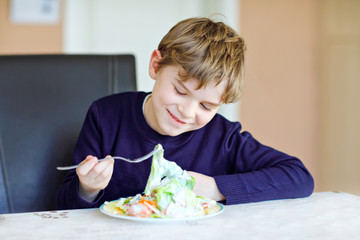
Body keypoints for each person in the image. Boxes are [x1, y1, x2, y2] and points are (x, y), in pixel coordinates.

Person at [55, 17, 314, 209]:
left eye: (206, 106)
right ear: (156, 65)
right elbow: (63, 207)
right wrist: (88, 188)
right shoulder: (106, 115)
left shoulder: (222, 137)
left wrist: (214, 188)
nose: (187, 112)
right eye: (180, 91)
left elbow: (299, 177)